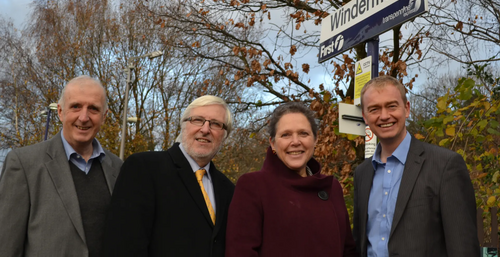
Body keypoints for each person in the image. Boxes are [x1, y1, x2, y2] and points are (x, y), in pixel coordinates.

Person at [352, 75, 480, 257]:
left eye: (391, 106)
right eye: (374, 109)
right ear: (365, 116)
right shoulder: (362, 173)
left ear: (407, 109)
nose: (384, 115)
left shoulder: (445, 165)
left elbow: (463, 247)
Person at [0, 75, 123, 257]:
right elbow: (6, 247)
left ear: (104, 117)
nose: (84, 117)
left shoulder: (118, 168)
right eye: (75, 106)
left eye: (93, 109)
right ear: (60, 112)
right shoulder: (24, 165)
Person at [101, 95, 235, 257]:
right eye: (197, 120)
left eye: (215, 124)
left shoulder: (229, 190)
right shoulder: (143, 168)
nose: (205, 129)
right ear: (183, 125)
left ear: (225, 135)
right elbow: (122, 245)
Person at [226, 102, 358, 257]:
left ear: (315, 140)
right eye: (286, 135)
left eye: (303, 133)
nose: (295, 142)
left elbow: (348, 250)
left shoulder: (331, 187)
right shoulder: (253, 186)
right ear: (273, 143)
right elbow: (240, 252)